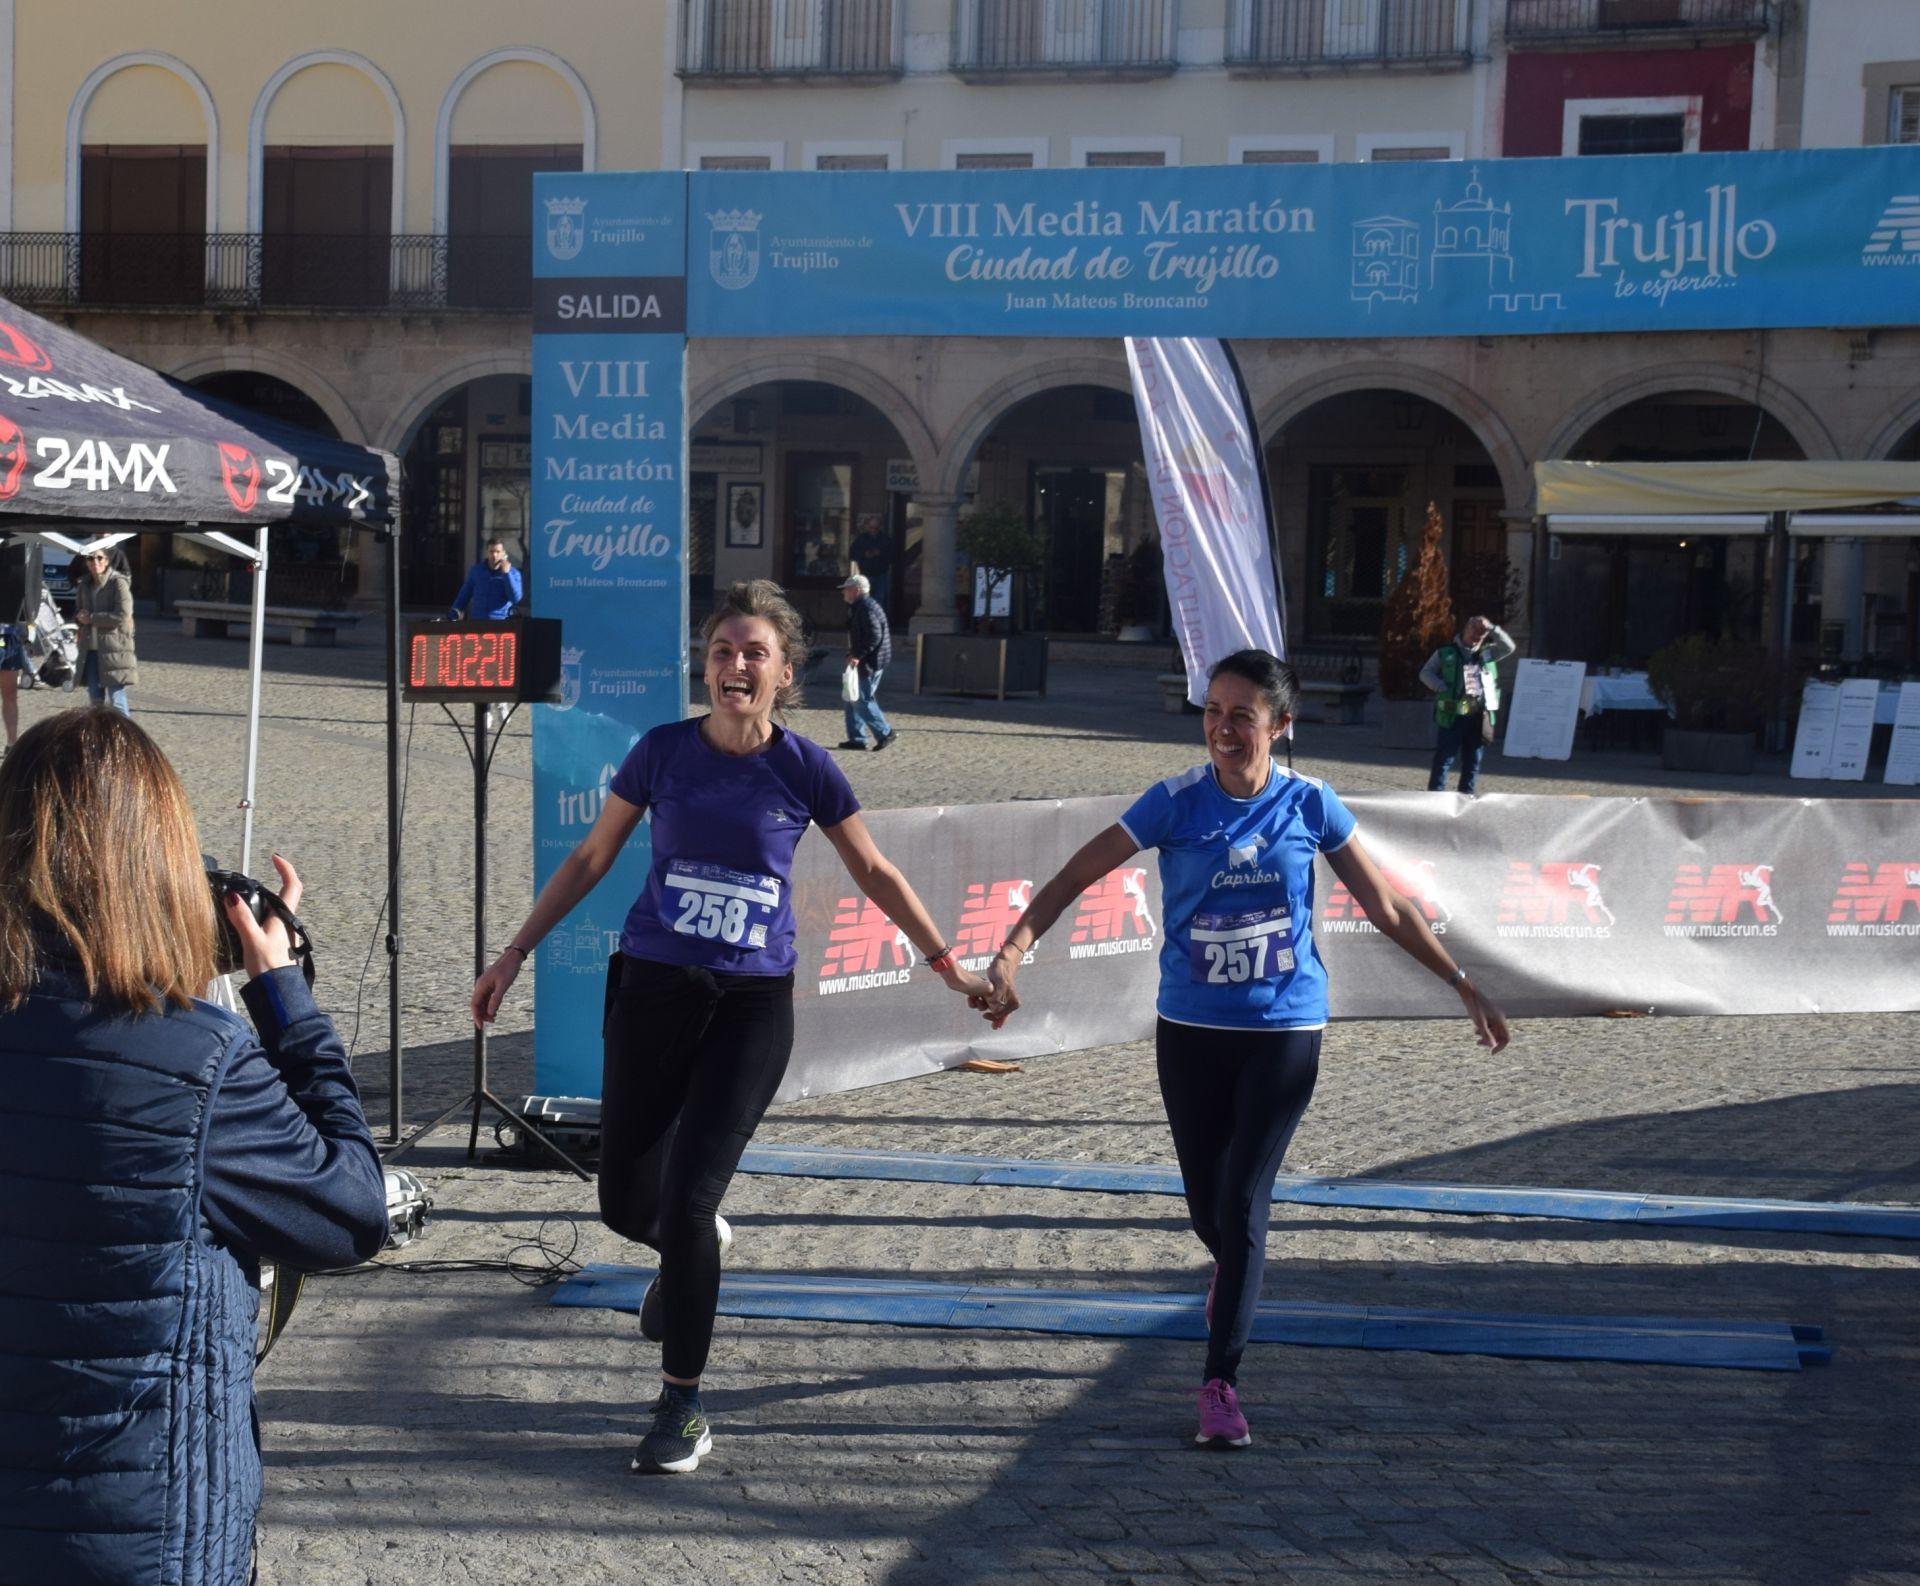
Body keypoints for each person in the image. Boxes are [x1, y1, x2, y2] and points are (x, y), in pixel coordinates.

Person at [471, 578, 991, 1475]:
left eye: (754, 653)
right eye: (721, 651)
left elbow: (875, 872)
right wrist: (513, 953)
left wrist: (948, 964)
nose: (735, 665)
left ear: (785, 674)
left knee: (687, 1198)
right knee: (625, 1201)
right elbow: (593, 857)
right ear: (702, 667)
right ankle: (693, 1247)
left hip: (751, 1005)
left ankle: (682, 1403)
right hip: (652, 991)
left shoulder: (805, 769)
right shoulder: (662, 753)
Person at [976, 650, 1509, 1449]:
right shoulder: (1174, 803)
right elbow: (1070, 878)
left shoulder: (1312, 805)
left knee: (1243, 1204)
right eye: (1214, 713)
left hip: (1285, 1030)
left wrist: (1461, 981)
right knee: (1207, 1208)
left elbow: (1388, 906)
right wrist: (1013, 951)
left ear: (1280, 727)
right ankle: (1235, 1283)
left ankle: (1220, 1382)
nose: (1223, 730)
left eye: (1243, 717)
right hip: (1191, 1031)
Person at [0, 709, 389, 1586]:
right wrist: (283, 996)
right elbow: (352, 1211)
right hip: (142, 1536)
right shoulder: (198, 1063)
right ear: (159, 864)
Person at [1420, 613, 1516, 796]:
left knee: (1473, 761)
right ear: (1464, 629)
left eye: (1481, 633)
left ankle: (1466, 798)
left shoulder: (1488, 653)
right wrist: (1441, 687)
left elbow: (1509, 647)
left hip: (1478, 717)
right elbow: (1426, 673)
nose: (1476, 635)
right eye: (1473, 630)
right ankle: (1434, 797)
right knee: (1444, 760)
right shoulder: (1446, 652)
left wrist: (1492, 628)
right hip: (1452, 716)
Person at [837, 571, 895, 752]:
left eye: (846, 589)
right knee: (851, 697)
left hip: (870, 662)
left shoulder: (866, 608)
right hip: (868, 659)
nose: (843, 593)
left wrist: (857, 655)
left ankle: (885, 733)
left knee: (861, 699)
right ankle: (857, 738)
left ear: (857, 590)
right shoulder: (861, 606)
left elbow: (873, 636)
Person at [74, 545, 136, 716]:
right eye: (90, 558)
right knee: (95, 703)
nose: (95, 562)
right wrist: (79, 617)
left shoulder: (118, 583)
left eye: (99, 558)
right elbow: (78, 611)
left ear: (107, 561)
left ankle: (128, 740)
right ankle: (102, 740)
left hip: (114, 650)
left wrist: (92, 618)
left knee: (117, 701)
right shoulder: (84, 585)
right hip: (91, 651)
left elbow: (123, 615)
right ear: (86, 563)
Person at [448, 537, 523, 620]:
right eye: (491, 552)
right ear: (487, 553)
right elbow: (464, 594)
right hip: (478, 621)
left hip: (502, 622)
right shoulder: (476, 571)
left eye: (498, 552)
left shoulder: (513, 573)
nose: (494, 555)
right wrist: (454, 613)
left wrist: (507, 575)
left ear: (504, 553)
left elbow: (515, 598)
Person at [849, 513, 894, 613]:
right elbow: (852, 554)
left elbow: (892, 557)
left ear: (879, 527)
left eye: (876, 528)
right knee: (865, 601)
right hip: (865, 573)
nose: (873, 530)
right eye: (871, 527)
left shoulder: (885, 540)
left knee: (879, 600)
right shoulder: (861, 539)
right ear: (866, 527)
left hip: (880, 573)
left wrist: (880, 554)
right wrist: (864, 554)